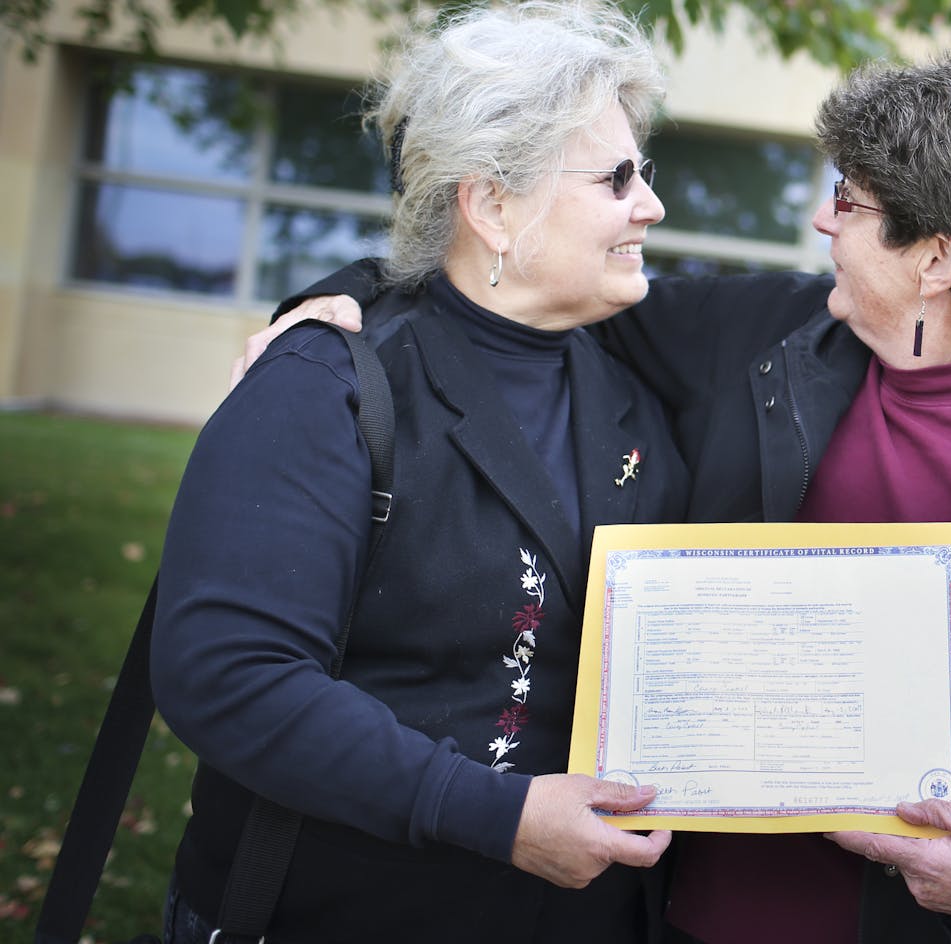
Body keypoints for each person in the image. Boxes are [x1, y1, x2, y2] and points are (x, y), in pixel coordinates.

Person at [251, 54, 951, 944]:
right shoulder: (762, 334)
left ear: (935, 260)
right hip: (670, 914)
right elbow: (528, 286)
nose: (826, 224)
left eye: (849, 204)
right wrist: (343, 302)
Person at [149, 4, 690, 942]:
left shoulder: (637, 396)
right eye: (616, 177)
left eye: (644, 172)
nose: (651, 205)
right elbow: (228, 675)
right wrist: (495, 816)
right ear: (491, 204)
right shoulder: (326, 382)